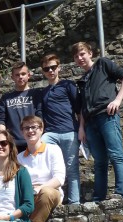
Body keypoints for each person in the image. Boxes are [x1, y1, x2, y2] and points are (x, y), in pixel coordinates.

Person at [72, 41, 123, 201]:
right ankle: (98, 197)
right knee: (99, 161)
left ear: (90, 53)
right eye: (76, 56)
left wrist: (118, 100)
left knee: (116, 154)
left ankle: (121, 193)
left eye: (82, 54)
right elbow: (83, 106)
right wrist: (81, 128)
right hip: (90, 122)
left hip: (107, 115)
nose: (80, 58)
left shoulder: (103, 64)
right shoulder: (82, 80)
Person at [40, 53, 81, 205]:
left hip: (69, 131)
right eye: (46, 68)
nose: (50, 71)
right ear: (43, 71)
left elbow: (79, 109)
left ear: (59, 68)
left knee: (72, 167)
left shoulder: (68, 85)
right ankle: (49, 196)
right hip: (50, 133)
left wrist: (81, 129)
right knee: (43, 158)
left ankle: (74, 201)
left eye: (53, 67)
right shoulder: (43, 92)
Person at [17, 116, 65, 222]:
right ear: (22, 132)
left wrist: (39, 189)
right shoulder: (19, 157)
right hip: (28, 196)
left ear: (41, 129)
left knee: (46, 192)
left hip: (49, 193)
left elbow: (59, 178)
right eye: (26, 128)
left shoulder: (53, 149)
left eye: (34, 127)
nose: (30, 131)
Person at [0, 62, 43, 152]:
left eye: (23, 74)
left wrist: (40, 137)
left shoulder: (36, 94)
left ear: (28, 75)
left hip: (34, 141)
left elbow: (40, 115)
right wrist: (3, 140)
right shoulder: (5, 98)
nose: (20, 77)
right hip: (14, 144)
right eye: (17, 75)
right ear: (12, 77)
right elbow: (1, 120)